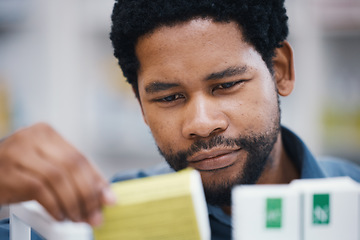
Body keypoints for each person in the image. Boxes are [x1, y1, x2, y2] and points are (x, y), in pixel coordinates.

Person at [0, 0, 359, 239]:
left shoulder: (354, 194)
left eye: (226, 85)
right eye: (170, 97)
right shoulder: (107, 219)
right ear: (140, 105)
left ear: (280, 71)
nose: (201, 123)